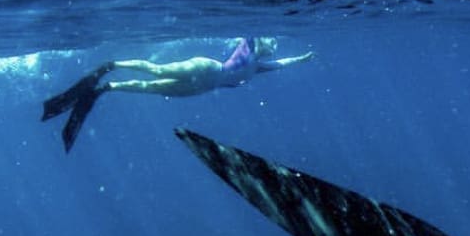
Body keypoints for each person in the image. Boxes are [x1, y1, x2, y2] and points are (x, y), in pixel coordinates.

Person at [41, 37, 314, 152]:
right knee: (157, 71)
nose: (272, 50)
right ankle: (112, 66)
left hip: (204, 87)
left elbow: (282, 64)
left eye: (273, 48)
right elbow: (252, 32)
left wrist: (302, 59)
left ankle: (107, 88)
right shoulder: (249, 47)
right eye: (270, 44)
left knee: (153, 89)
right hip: (205, 68)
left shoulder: (259, 68)